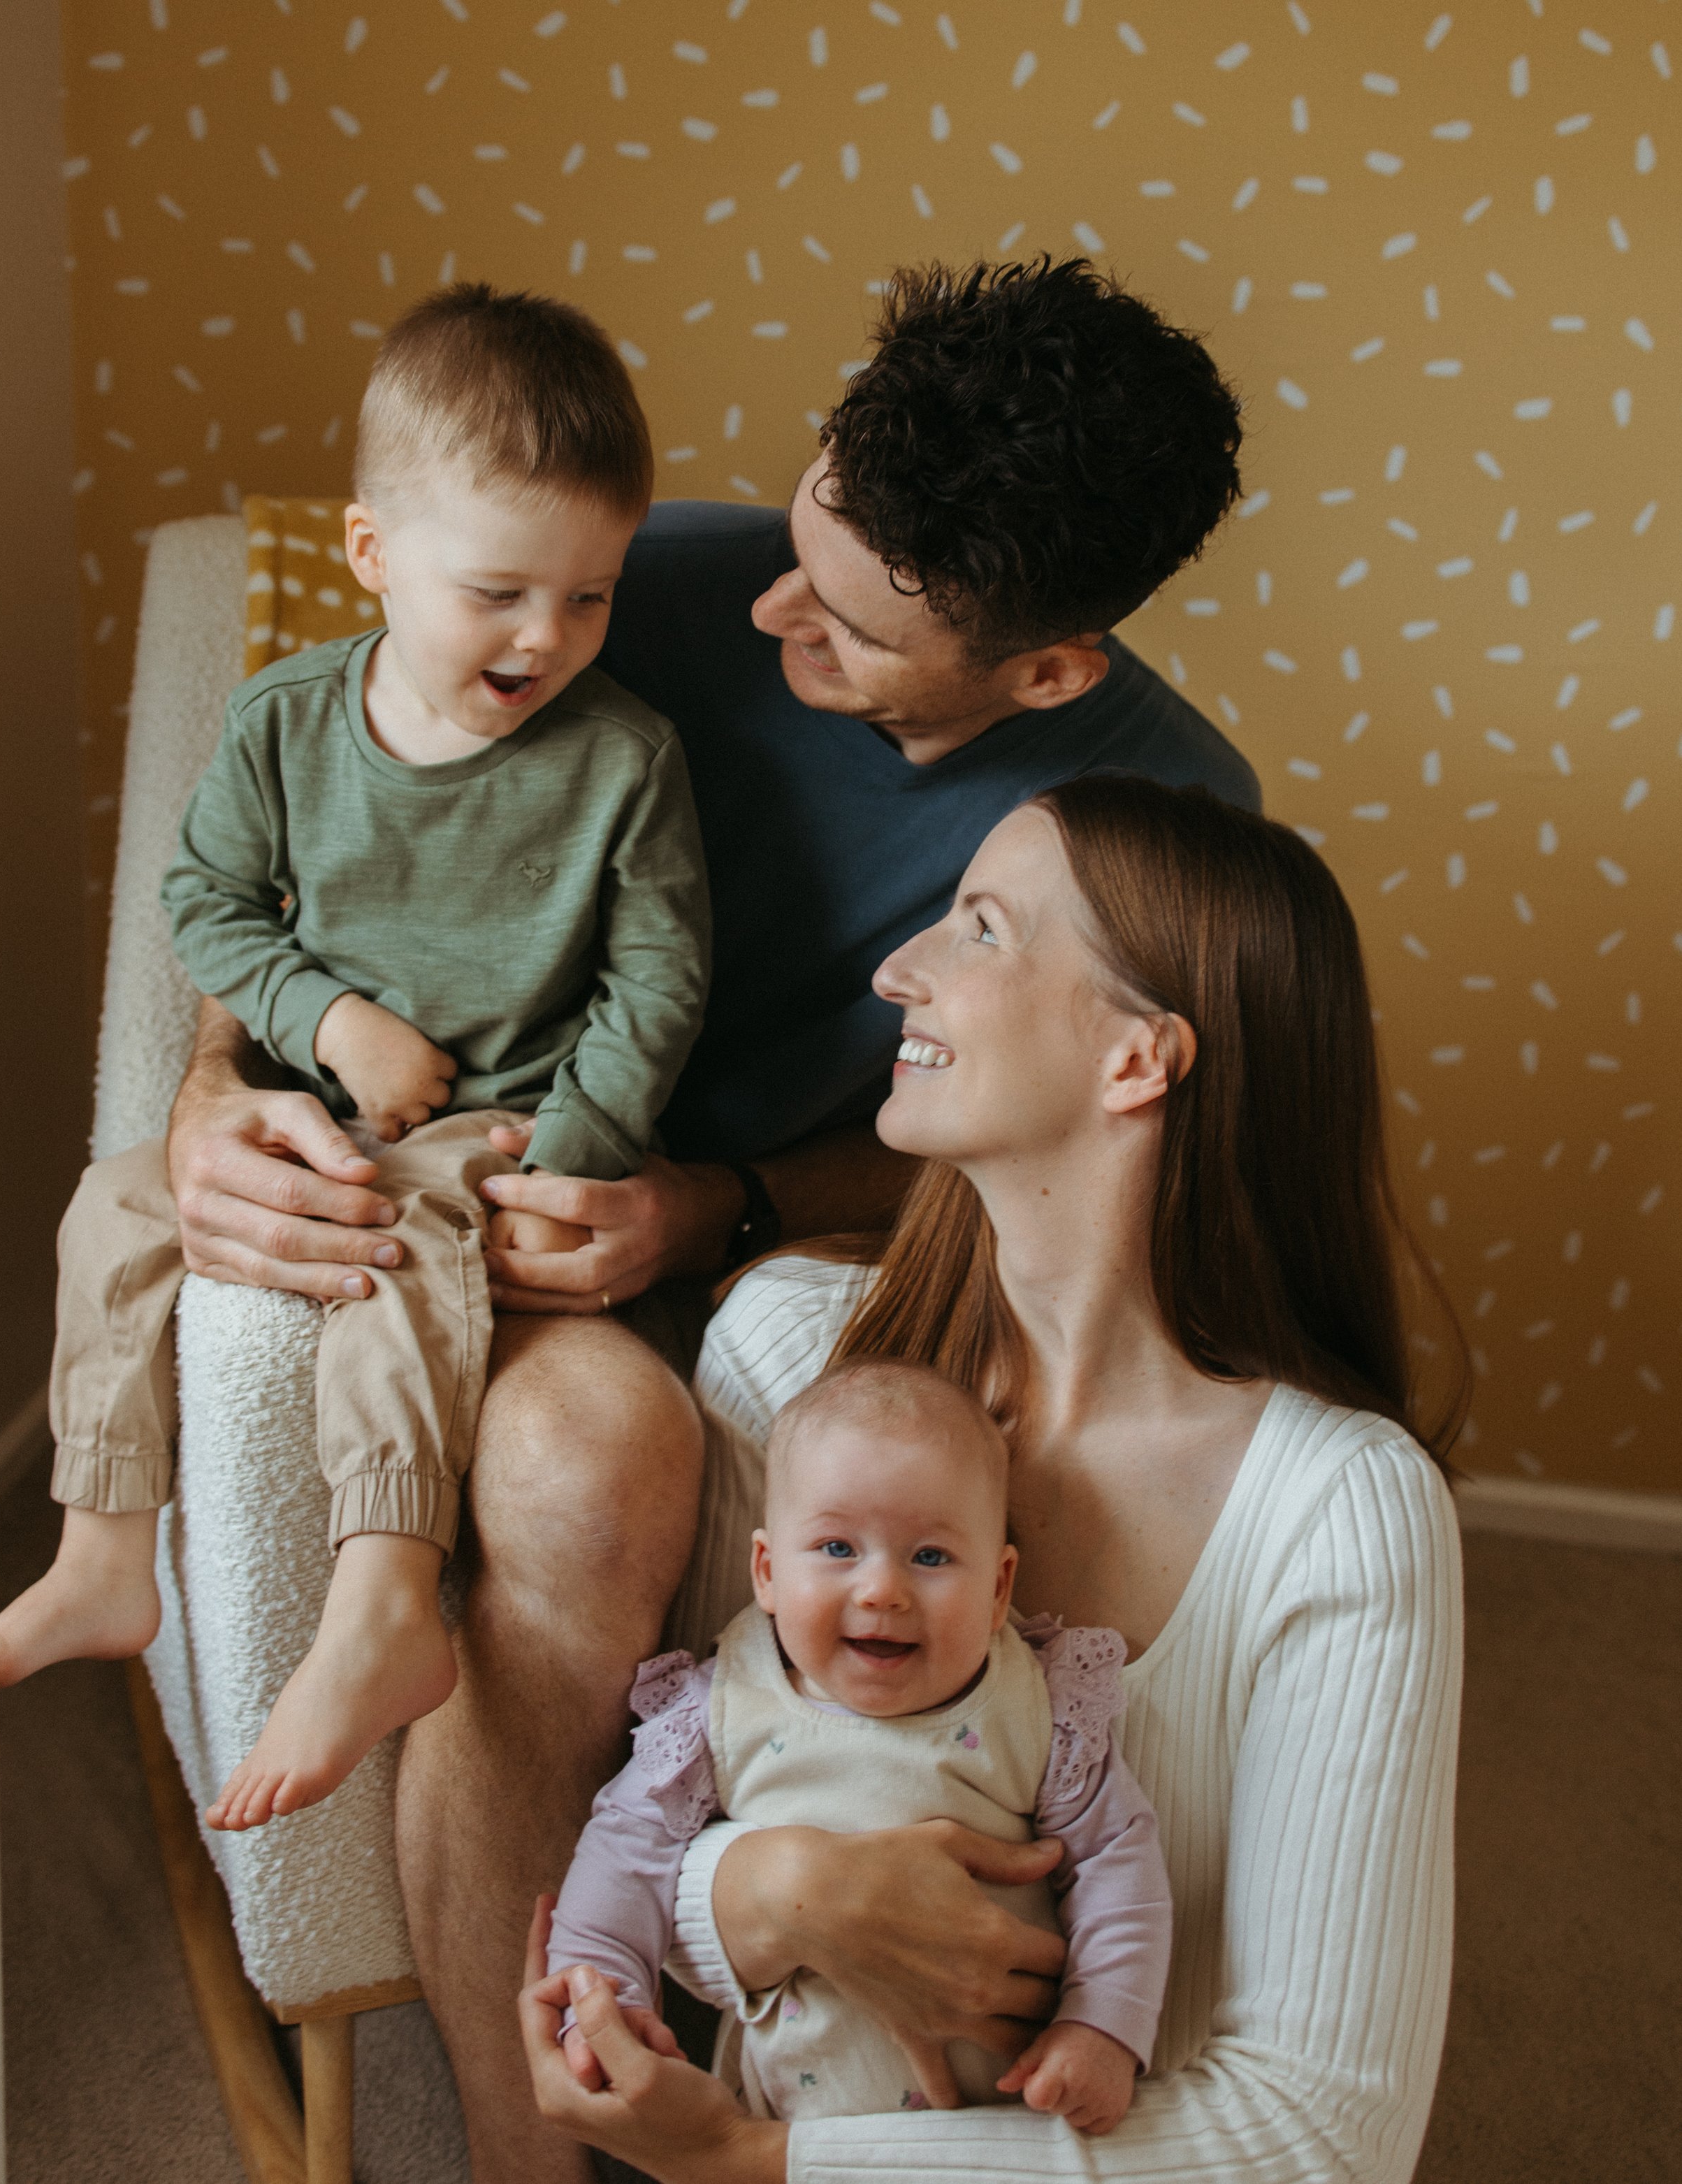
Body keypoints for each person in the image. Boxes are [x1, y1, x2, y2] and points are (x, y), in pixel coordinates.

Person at [158, 258, 1261, 2176]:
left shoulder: (1167, 816)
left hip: (821, 1256)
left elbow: (1066, 1160)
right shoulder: (624, 577)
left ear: (1044, 671)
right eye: (799, 528)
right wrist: (204, 1090)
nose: (764, 610)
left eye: (841, 621)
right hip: (495, 1196)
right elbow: (311, 826)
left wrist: (712, 1205)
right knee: (586, 1476)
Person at [520, 774, 1468, 2184]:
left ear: (1136, 1059)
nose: (897, 969)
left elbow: (1318, 2137)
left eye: (979, 927)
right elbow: (677, 1793)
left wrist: (759, 2161)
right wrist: (775, 1887)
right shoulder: (786, 1356)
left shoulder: (1341, 1513)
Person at [0, 285, 711, 1833]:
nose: (545, 635)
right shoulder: (282, 725)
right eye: (500, 590)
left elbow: (659, 981)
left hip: (494, 1128)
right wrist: (324, 1020)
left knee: (390, 1254)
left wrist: (571, 1151)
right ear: (372, 553)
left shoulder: (624, 758)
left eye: (589, 596)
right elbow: (205, 903)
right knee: (109, 1207)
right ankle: (103, 1550)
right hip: (303, 1103)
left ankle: (384, 1597)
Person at [547, 1358, 1171, 2133]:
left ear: (998, 1588)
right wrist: (602, 2000)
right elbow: (624, 1851)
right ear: (767, 1571)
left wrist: (1102, 2025)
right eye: (838, 1548)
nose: (881, 1590)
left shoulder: (1039, 1707)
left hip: (1011, 2132)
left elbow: (1117, 1862)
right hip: (790, 2139)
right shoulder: (721, 1706)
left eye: (930, 1556)